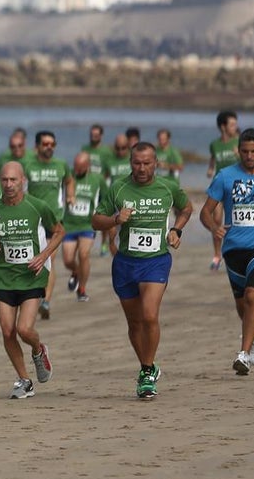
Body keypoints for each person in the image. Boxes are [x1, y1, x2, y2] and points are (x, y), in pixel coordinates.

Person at [93, 142, 192, 398]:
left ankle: (147, 372)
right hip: (125, 263)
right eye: (137, 163)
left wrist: (176, 229)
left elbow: (187, 207)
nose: (142, 168)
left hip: (156, 261)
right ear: (130, 163)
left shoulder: (167, 188)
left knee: (149, 315)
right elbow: (95, 221)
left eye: (147, 163)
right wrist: (115, 219)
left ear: (156, 163)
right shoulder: (119, 187)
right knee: (134, 323)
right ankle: (147, 366)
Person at [0, 162, 64, 399]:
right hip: (5, 277)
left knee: (24, 329)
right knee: (8, 332)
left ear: (23, 181)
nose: (8, 185)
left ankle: (39, 351)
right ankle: (24, 380)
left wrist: (43, 255)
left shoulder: (37, 206)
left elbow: (59, 231)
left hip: (32, 276)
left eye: (13, 180)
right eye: (4, 180)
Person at [200, 128, 254, 376]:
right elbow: (205, 211)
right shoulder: (225, 176)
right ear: (238, 151)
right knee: (243, 306)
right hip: (233, 248)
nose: (249, 156)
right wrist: (214, 227)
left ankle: (244, 355)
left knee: (252, 296)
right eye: (245, 151)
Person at [21, 131, 74, 319]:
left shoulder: (61, 165)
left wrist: (70, 195)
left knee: (48, 261)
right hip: (33, 221)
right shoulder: (28, 165)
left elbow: (69, 180)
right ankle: (30, 297)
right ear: (37, 146)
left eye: (52, 144)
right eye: (45, 144)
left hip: (54, 220)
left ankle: (46, 301)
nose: (49, 147)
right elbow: (20, 189)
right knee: (32, 260)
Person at [62, 152, 105, 302]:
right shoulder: (68, 176)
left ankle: (82, 289)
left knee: (84, 254)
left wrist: (103, 218)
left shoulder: (97, 179)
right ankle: (75, 271)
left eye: (80, 167)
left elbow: (105, 200)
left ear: (87, 166)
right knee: (67, 260)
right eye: (75, 166)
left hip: (88, 224)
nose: (77, 170)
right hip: (69, 224)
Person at [208, 111, 240, 270]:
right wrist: (210, 169)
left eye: (236, 124)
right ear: (223, 127)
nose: (235, 127)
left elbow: (252, 162)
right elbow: (213, 158)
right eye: (232, 124)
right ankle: (216, 255)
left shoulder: (240, 142)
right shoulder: (215, 144)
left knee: (236, 221)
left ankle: (235, 252)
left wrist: (238, 154)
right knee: (216, 221)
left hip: (237, 188)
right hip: (219, 186)